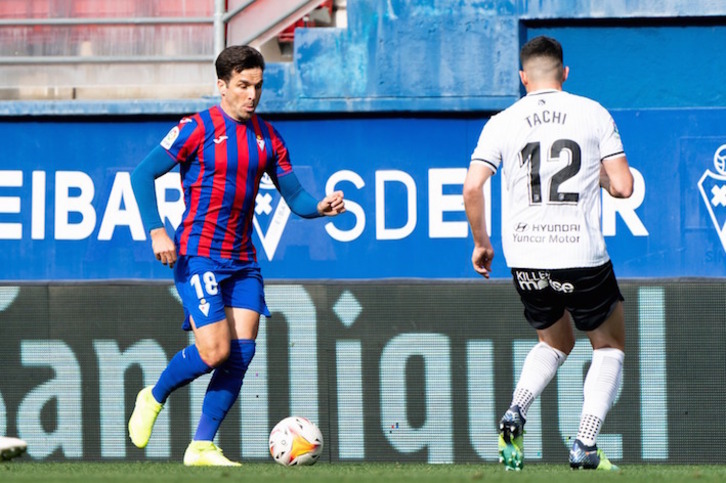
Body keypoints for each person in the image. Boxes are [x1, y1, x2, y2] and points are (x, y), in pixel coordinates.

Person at [128, 45, 345, 466]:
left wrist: (319, 208)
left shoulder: (268, 137)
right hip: (198, 254)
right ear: (222, 86)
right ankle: (153, 396)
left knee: (241, 353)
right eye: (243, 86)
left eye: (258, 86)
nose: (252, 95)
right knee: (214, 351)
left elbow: (295, 196)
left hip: (243, 261)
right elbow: (142, 173)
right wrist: (156, 230)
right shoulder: (197, 128)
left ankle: (202, 446)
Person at [463, 35, 633, 471]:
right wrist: (597, 178)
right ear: (565, 73)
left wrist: (483, 243)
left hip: (525, 254)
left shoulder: (501, 121)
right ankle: (585, 443)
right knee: (609, 344)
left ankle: (516, 409)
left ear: (523, 78)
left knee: (554, 340)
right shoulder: (592, 112)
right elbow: (624, 186)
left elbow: (472, 188)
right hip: (580, 251)